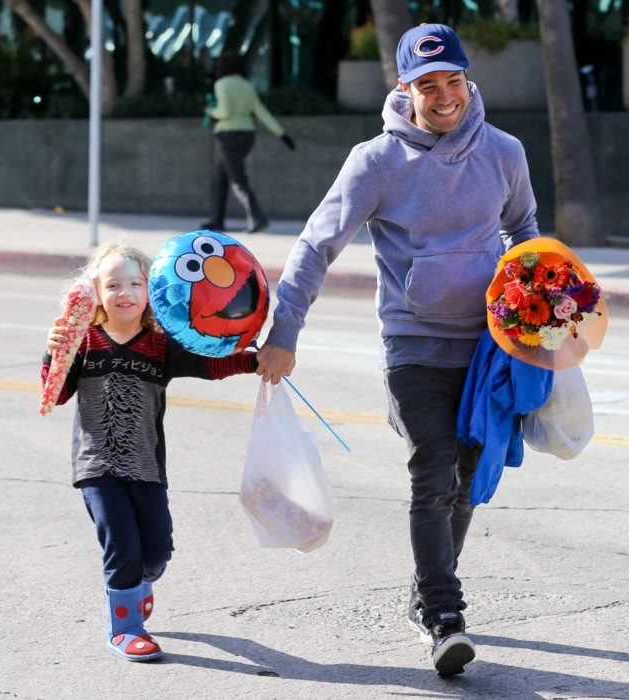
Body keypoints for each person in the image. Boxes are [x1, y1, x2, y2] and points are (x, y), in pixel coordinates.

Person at [255, 23, 540, 676]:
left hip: (487, 351)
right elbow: (315, 245)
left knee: (466, 479)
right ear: (405, 89)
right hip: (413, 348)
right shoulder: (377, 162)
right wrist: (285, 332)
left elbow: (523, 230)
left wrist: (540, 311)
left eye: (454, 83)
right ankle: (443, 616)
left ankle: (424, 592)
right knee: (433, 465)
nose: (445, 97)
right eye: (428, 85)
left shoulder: (504, 152)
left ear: (469, 81)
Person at [41, 242, 258, 662]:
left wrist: (252, 361)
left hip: (145, 464)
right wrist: (55, 352)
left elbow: (210, 365)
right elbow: (58, 392)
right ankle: (126, 628)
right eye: (113, 285)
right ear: (95, 294)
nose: (125, 293)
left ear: (151, 292)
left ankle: (139, 582)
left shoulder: (160, 344)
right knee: (120, 541)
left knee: (156, 551)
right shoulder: (82, 340)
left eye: (135, 283)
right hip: (97, 464)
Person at [201, 50, 295, 234]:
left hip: (229, 136)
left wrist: (210, 111)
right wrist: (282, 135)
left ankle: (257, 218)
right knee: (220, 178)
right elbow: (261, 112)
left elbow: (225, 112)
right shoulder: (247, 85)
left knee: (238, 181)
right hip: (247, 136)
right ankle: (216, 220)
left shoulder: (222, 84)